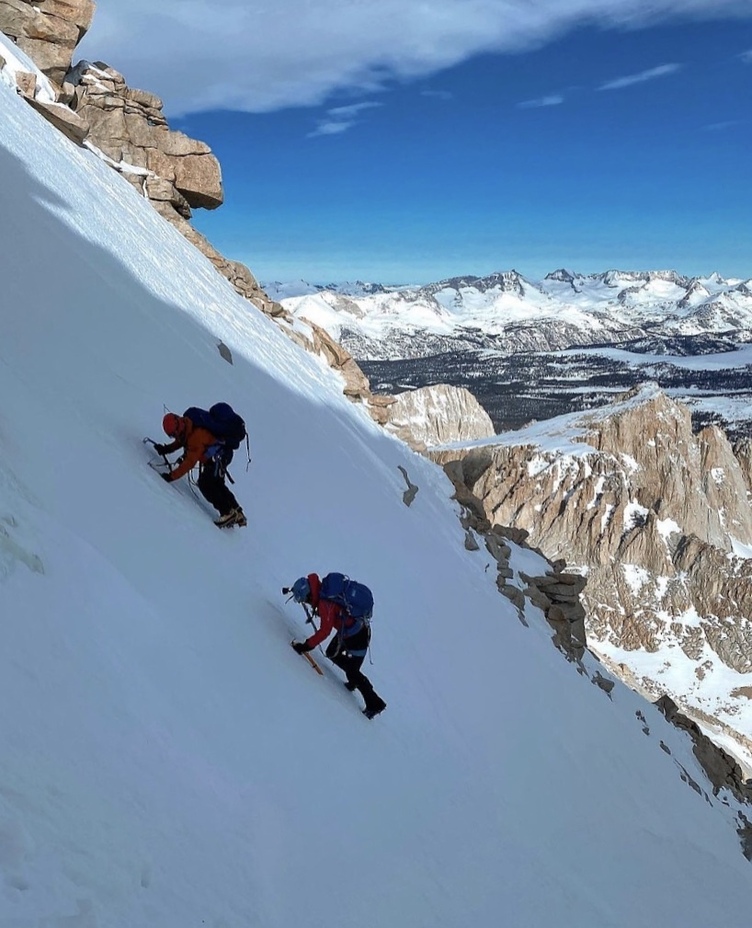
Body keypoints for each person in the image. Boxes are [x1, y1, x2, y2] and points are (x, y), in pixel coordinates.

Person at [290, 573, 386, 719]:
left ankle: (375, 703)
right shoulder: (327, 592)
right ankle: (353, 681)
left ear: (309, 595)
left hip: (356, 636)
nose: (308, 604)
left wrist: (305, 646)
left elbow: (324, 631)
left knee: (352, 671)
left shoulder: (325, 603)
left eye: (306, 600)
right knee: (332, 653)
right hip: (352, 631)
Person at [154, 412, 246, 528]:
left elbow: (189, 462)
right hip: (222, 454)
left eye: (174, 434)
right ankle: (237, 512)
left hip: (218, 456)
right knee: (216, 483)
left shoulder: (196, 436)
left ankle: (227, 512)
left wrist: (171, 476)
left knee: (205, 484)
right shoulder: (188, 426)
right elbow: (181, 441)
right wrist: (166, 449)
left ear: (178, 424)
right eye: (172, 435)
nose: (175, 436)